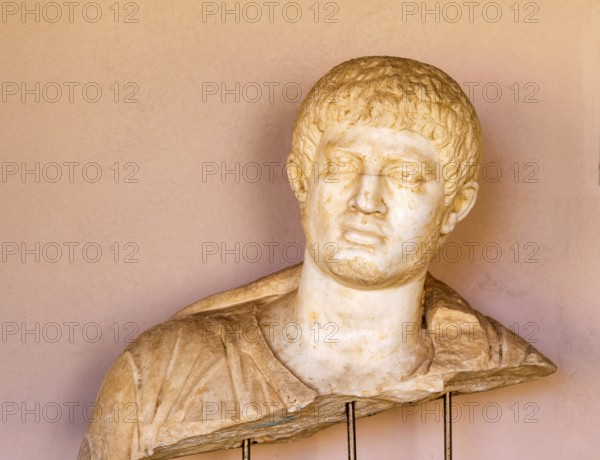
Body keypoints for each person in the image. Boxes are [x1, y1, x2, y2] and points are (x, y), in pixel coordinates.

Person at [78, 56, 556, 460]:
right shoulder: (163, 370)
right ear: (302, 181)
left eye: (406, 175)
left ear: (455, 206)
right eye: (343, 166)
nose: (367, 200)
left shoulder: (490, 352)